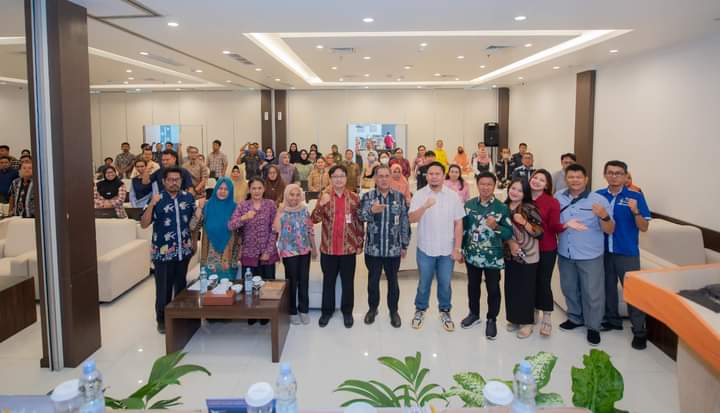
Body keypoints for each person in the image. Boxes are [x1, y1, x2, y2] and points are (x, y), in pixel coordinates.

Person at [556, 163, 615, 346]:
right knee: (569, 288)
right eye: (571, 177)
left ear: (586, 179)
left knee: (592, 293)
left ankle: (593, 327)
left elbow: (610, 229)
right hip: (566, 252)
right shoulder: (558, 197)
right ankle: (575, 318)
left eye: (578, 177)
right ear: (566, 179)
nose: (575, 180)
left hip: (590, 255)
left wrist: (604, 215)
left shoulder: (598, 200)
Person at [597, 160, 651, 350]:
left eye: (618, 173)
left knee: (632, 292)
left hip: (626, 252)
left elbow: (644, 227)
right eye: (610, 172)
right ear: (605, 175)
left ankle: (639, 331)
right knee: (607, 288)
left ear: (626, 176)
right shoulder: (598, 196)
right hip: (603, 251)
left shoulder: (635, 196)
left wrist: (635, 211)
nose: (614, 176)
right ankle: (612, 321)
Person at [409, 161, 465, 332]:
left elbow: (458, 224)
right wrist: (424, 206)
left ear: (443, 175)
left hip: (447, 249)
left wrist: (457, 248)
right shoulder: (419, 194)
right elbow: (412, 219)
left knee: (445, 283)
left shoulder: (453, 196)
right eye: (430, 174)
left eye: (437, 173)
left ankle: (445, 310)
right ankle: (420, 309)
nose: (433, 176)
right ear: (426, 176)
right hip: (425, 248)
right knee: (424, 283)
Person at [140, 166, 196, 334]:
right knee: (163, 287)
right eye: (170, 180)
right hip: (162, 253)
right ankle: (162, 319)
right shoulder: (157, 199)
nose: (174, 183)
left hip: (183, 250)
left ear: (181, 181)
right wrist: (151, 204)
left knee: (181, 285)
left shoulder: (188, 198)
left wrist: (193, 242)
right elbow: (143, 224)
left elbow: (193, 223)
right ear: (164, 181)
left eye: (177, 180)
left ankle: (179, 316)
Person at [460, 171, 513, 339]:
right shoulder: (468, 205)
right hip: (472, 255)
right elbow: (463, 230)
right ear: (477, 185)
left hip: (493, 257)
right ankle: (474, 314)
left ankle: (492, 319)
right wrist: (461, 249)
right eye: (482, 184)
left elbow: (509, 233)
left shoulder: (502, 208)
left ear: (494, 186)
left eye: (489, 184)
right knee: (473, 286)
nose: (485, 187)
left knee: (493, 289)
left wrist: (496, 226)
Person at [311, 165, 364, 328]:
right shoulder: (325, 196)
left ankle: (347, 312)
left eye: (341, 176)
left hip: (348, 249)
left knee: (348, 282)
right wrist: (321, 205)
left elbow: (359, 222)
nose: (338, 179)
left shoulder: (355, 198)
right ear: (331, 179)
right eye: (335, 176)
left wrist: (360, 242)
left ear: (346, 178)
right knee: (329, 282)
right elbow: (314, 219)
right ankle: (327, 312)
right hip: (329, 249)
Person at [359, 165, 411, 328]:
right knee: (373, 282)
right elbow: (360, 216)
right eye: (380, 176)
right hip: (373, 249)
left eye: (386, 175)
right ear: (375, 178)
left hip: (393, 249)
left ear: (390, 178)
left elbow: (404, 222)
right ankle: (372, 309)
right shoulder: (368, 197)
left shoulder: (399, 197)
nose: (383, 179)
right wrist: (371, 211)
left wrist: (404, 244)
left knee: (393, 282)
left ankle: (393, 311)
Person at [229, 178, 279, 326]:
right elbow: (231, 225)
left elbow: (274, 230)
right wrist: (244, 217)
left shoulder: (270, 205)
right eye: (254, 188)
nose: (256, 191)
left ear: (264, 189)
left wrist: (268, 251)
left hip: (266, 253)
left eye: (259, 188)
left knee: (267, 285)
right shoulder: (242, 206)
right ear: (249, 190)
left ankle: (266, 315)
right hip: (249, 253)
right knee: (249, 286)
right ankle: (251, 313)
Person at [504, 178, 544, 338]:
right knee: (511, 287)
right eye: (513, 188)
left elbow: (539, 233)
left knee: (526, 289)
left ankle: (527, 323)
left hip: (528, 255)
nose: (515, 192)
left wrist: (524, 222)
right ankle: (514, 318)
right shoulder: (504, 207)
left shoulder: (529, 208)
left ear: (525, 193)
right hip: (510, 254)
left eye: (520, 190)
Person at [273, 184, 317, 325]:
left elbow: (310, 229)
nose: (295, 198)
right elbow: (276, 229)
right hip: (289, 251)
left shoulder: (304, 210)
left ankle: (303, 310)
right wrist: (279, 213)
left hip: (304, 250)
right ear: (286, 195)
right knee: (291, 281)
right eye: (292, 194)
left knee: (303, 280)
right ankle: (292, 311)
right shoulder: (282, 210)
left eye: (297, 195)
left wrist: (314, 248)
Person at [529, 169, 564, 336]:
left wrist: (567, 225)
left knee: (543, 282)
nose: (536, 181)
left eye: (541, 180)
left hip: (546, 248)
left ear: (547, 185)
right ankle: (534, 310)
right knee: (530, 281)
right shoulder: (523, 197)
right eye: (535, 177)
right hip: (526, 249)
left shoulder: (552, 202)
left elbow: (555, 226)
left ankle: (547, 317)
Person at [190, 177, 239, 279]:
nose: (223, 191)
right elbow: (192, 226)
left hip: (228, 253)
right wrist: (199, 208)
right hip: (209, 254)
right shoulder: (207, 206)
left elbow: (240, 232)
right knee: (209, 289)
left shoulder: (235, 208)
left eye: (226, 189)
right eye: (220, 188)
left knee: (227, 290)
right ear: (216, 189)